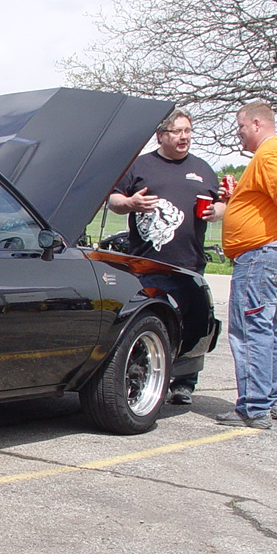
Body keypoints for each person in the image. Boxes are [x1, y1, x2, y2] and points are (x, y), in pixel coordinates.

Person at [107, 109, 223, 404]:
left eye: (188, 131)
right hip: (146, 265)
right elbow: (113, 200)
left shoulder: (202, 168)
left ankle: (184, 383)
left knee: (191, 324)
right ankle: (143, 376)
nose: (184, 137)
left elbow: (223, 204)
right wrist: (130, 203)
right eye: (177, 131)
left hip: (189, 264)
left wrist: (217, 211)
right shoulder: (140, 165)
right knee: (148, 324)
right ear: (161, 135)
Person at [215, 100, 277, 430]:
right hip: (272, 258)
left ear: (256, 124)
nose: (239, 133)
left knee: (250, 331)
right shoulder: (274, 154)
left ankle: (253, 407)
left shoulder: (270, 153)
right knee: (270, 330)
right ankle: (273, 399)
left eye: (241, 126)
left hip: (260, 260)